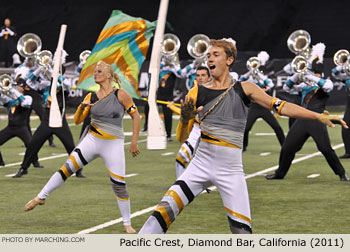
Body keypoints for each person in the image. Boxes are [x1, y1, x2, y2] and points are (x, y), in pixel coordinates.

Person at [138, 38, 347, 234]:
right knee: (159, 216)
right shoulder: (195, 93)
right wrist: (185, 119)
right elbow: (183, 137)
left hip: (231, 172)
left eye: (215, 54)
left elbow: (281, 107)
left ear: (229, 60)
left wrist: (317, 116)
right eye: (208, 54)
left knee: (242, 234)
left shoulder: (245, 88)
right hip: (198, 167)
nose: (209, 58)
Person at [23, 60, 141, 234]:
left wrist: (134, 142)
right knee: (66, 169)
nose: (95, 74)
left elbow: (136, 117)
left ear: (108, 75)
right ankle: (41, 197)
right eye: (94, 71)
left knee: (119, 184)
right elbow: (78, 121)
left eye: (99, 71)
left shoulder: (121, 95)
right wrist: (81, 108)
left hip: (113, 144)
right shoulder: (90, 96)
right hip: (92, 140)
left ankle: (127, 223)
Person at [265, 47, 350, 181]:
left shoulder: (324, 83)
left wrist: (310, 76)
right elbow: (287, 87)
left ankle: (341, 173)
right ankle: (280, 173)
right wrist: (298, 74)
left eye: (316, 73)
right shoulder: (304, 86)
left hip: (317, 120)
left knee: (325, 148)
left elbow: (328, 86)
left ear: (319, 74)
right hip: (302, 120)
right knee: (287, 147)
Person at [12, 56, 85, 178]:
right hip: (47, 117)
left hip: (59, 118)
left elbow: (66, 85)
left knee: (70, 146)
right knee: (33, 144)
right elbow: (28, 82)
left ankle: (78, 170)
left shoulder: (64, 83)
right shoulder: (46, 85)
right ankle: (23, 168)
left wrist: (53, 73)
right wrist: (40, 69)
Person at [168, 66, 211, 178]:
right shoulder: (192, 93)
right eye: (198, 75)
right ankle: (180, 186)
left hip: (213, 130)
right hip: (197, 130)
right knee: (181, 157)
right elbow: (187, 114)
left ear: (209, 77)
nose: (200, 78)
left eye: (203, 75)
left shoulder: (216, 92)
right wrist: (173, 108)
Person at [240, 51, 285, 151]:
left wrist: (258, 73)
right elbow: (241, 79)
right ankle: (244, 146)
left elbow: (271, 85)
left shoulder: (263, 79)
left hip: (264, 108)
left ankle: (284, 145)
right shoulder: (250, 80)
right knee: (246, 128)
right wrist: (251, 71)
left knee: (277, 127)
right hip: (253, 108)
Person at [13, 58, 56, 147]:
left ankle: (50, 139)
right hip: (26, 96)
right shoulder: (23, 68)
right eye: (29, 60)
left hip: (35, 96)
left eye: (32, 60)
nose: (30, 62)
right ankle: (28, 139)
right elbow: (17, 76)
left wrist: (39, 78)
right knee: (25, 119)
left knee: (44, 117)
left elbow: (44, 82)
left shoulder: (39, 69)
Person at [0, 79, 41, 167]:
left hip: (22, 128)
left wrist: (12, 90)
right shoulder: (10, 99)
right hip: (10, 127)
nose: (18, 88)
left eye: (20, 86)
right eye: (17, 86)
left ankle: (35, 162)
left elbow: (24, 103)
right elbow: (3, 100)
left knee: (31, 145)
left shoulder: (28, 97)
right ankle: (0, 162)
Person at [332, 61, 350, 158]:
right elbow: (335, 73)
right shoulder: (347, 77)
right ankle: (348, 152)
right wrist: (345, 62)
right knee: (346, 126)